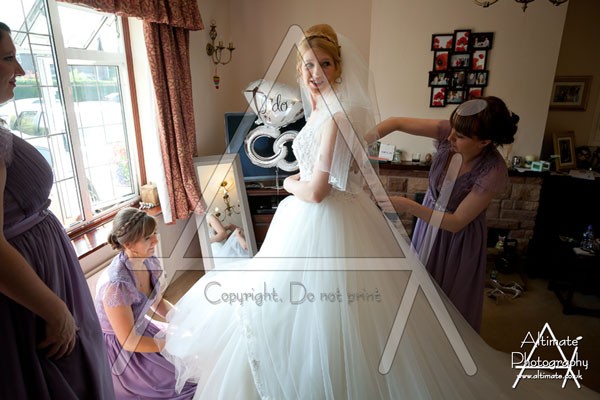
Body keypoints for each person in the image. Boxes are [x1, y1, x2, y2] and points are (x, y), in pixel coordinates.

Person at [161, 24, 597, 399]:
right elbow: (379, 132)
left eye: (324, 64)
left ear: (339, 67)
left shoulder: (486, 168)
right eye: (308, 64)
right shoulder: (327, 108)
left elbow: (317, 190)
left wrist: (289, 183)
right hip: (330, 216)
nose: (315, 73)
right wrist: (361, 142)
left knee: (357, 306)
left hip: (349, 216)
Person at [0, 22, 115, 399]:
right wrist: (55, 310)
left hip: (44, 279)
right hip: (30, 298)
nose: (20, 70)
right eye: (8, 58)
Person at [375, 97, 516, 331]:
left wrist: (407, 205)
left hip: (457, 238)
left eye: (460, 137)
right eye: (452, 130)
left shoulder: (493, 170)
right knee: (420, 287)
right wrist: (357, 142)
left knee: (449, 299)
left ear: (484, 142)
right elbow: (395, 122)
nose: (449, 138)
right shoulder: (449, 133)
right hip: (428, 224)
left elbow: (457, 222)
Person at [95, 207, 197, 399]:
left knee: (193, 359)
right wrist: (171, 342)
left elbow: (157, 303)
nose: (156, 241)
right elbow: (129, 341)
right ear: (128, 244)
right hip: (123, 352)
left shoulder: (148, 261)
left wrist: (183, 320)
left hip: (141, 329)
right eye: (148, 238)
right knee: (183, 387)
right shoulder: (117, 286)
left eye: (154, 234)